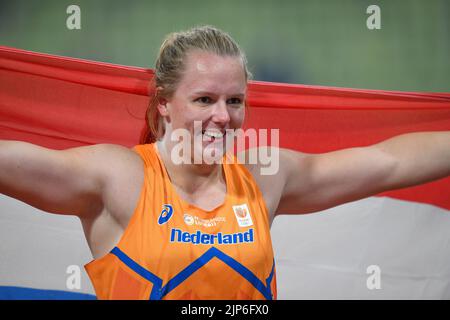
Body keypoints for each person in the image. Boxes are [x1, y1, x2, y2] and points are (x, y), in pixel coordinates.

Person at [0, 25, 449, 300]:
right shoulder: (118, 178)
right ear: (163, 104)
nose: (222, 116)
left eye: (235, 100)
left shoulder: (264, 177)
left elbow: (386, 163)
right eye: (203, 99)